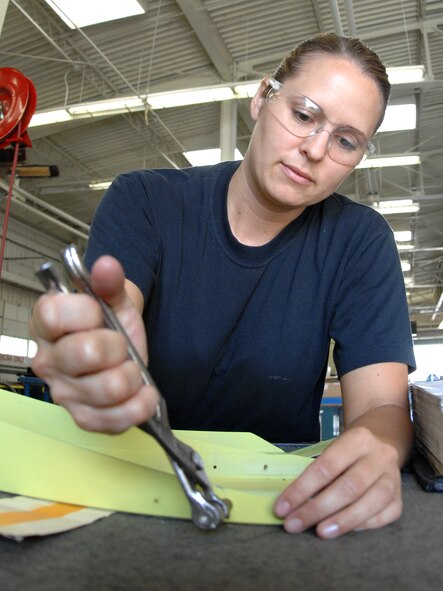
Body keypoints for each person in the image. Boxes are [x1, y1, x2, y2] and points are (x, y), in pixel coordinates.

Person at [31, 33, 416, 539]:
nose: (315, 150)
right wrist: (96, 341)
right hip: (128, 480)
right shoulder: (145, 201)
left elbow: (383, 407)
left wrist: (379, 451)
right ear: (262, 98)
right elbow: (116, 303)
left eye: (346, 141)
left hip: (279, 503)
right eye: (303, 115)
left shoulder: (359, 242)